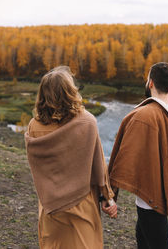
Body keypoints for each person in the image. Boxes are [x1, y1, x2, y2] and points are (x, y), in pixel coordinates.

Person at [25, 66, 117, 249]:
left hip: (50, 206)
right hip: (82, 203)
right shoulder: (87, 121)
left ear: (43, 94)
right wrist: (108, 196)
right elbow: (98, 164)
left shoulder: (33, 126)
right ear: (70, 91)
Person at [108, 62, 168, 249]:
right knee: (145, 238)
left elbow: (128, 158)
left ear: (150, 83)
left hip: (147, 200)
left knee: (153, 242)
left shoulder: (141, 116)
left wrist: (111, 192)